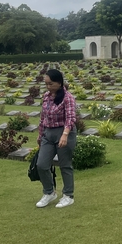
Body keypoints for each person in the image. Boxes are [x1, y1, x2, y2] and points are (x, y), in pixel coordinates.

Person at [35, 68, 77, 208]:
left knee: (65, 165)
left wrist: (65, 135)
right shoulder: (46, 96)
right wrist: (40, 135)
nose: (48, 87)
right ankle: (49, 192)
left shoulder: (67, 97)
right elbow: (43, 117)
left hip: (64, 132)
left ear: (59, 83)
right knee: (41, 164)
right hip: (48, 133)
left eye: (51, 84)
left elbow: (71, 118)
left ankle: (68, 195)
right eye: (46, 84)